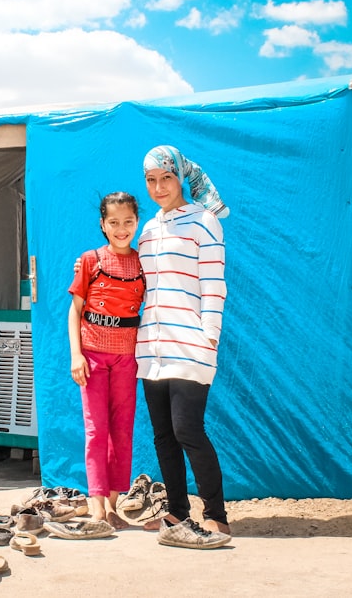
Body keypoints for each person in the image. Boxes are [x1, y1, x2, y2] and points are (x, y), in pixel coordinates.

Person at [136, 144, 232, 550]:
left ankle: (217, 516)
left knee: (187, 429)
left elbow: (213, 283)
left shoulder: (204, 221)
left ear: (180, 176)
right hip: (152, 347)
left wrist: (209, 336)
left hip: (190, 344)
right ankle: (176, 511)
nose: (159, 187)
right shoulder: (148, 228)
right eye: (151, 180)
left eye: (166, 178)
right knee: (163, 436)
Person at [67, 191, 145, 530]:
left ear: (137, 223)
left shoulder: (144, 263)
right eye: (114, 222)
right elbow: (75, 311)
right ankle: (96, 504)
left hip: (128, 358)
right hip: (93, 358)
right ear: (103, 224)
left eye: (128, 221)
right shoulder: (90, 261)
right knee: (96, 431)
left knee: (122, 432)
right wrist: (76, 355)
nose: (121, 228)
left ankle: (113, 505)